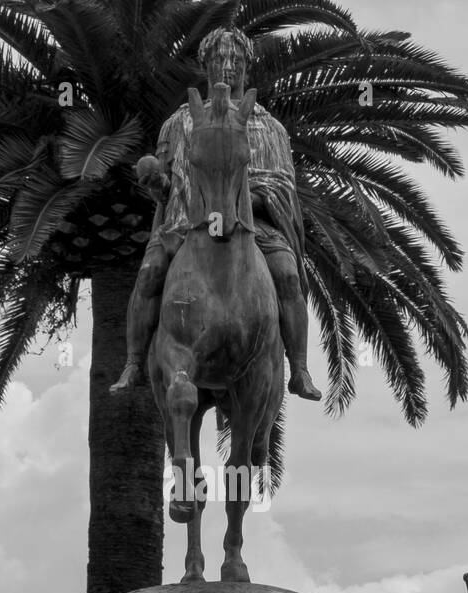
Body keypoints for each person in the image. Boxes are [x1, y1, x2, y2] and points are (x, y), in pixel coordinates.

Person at [110, 26, 321, 402]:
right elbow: (167, 181)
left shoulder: (270, 128)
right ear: (205, 65)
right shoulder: (178, 123)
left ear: (247, 68)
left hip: (253, 227)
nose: (227, 67)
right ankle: (134, 361)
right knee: (149, 274)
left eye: (236, 61)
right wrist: (156, 182)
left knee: (287, 276)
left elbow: (283, 186)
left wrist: (248, 200)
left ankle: (299, 367)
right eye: (219, 60)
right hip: (183, 224)